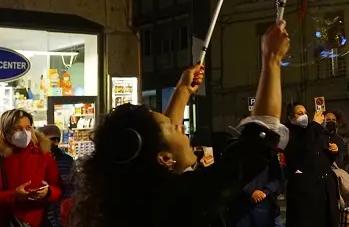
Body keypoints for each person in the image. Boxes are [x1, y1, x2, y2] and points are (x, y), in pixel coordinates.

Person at [69, 20, 290, 227]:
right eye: (173, 127)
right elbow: (257, 140)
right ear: (164, 159)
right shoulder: (183, 200)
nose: (181, 126)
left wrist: (182, 91)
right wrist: (271, 59)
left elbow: (156, 140)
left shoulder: (135, 199)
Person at [0, 110, 63, 227]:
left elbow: (58, 188)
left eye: (28, 127)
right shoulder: (2, 157)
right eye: (18, 128)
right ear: (6, 130)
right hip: (8, 220)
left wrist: (48, 192)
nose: (24, 133)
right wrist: (14, 195)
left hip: (39, 221)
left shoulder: (43, 153)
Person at [283, 103, 340, 227]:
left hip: (324, 188)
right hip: (305, 191)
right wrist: (314, 125)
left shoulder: (314, 131)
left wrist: (333, 152)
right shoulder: (289, 133)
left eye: (305, 113)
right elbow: (303, 153)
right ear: (291, 117)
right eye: (299, 113)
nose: (304, 116)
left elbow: (320, 157)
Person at [233, 154, 285, 227]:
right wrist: (251, 191)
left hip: (267, 203)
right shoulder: (236, 151)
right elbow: (232, 177)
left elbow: (277, 177)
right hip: (243, 206)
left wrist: (265, 192)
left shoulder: (270, 153)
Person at [37, 124, 74, 227]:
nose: (54, 143)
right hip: (41, 211)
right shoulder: (36, 158)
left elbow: (69, 187)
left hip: (58, 211)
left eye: (56, 139)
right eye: (51, 139)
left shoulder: (66, 160)